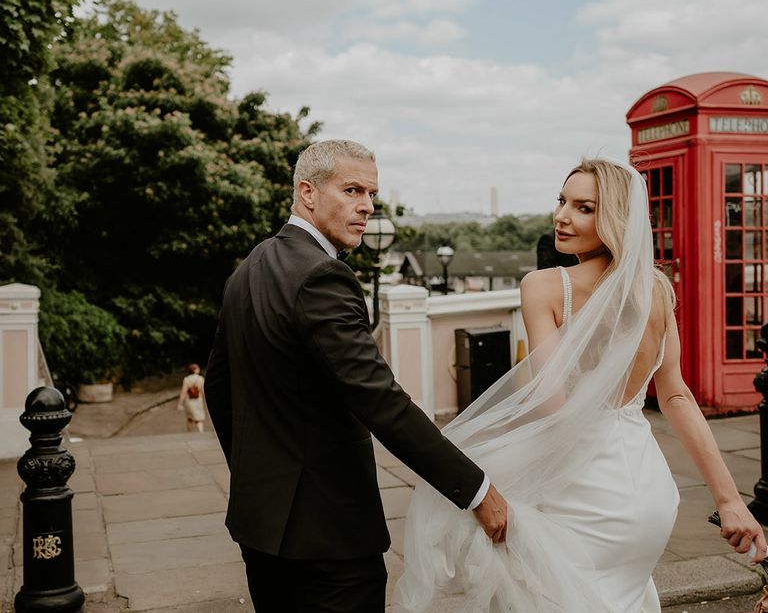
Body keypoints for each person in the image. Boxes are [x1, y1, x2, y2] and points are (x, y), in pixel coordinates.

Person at [393, 158, 767, 612]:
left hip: (587, 497)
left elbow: (553, 404)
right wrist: (729, 500)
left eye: (584, 207)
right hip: (647, 493)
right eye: (562, 200)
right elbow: (676, 396)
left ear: (614, 219)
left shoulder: (544, 286)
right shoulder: (656, 290)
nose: (562, 216)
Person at [204, 139, 507, 613]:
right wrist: (475, 489)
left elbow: (219, 390)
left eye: (371, 194)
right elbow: (381, 402)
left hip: (259, 524)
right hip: (328, 534)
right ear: (308, 192)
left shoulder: (249, 268)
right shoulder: (322, 276)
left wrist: (257, 477)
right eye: (352, 190)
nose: (366, 206)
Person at [177, 363, 205, 432]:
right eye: (197, 368)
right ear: (194, 370)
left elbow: (183, 392)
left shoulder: (186, 379)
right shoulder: (201, 379)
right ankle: (201, 433)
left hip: (189, 401)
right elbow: (203, 391)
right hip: (198, 400)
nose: (199, 369)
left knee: (190, 418)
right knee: (199, 419)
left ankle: (190, 434)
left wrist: (180, 403)